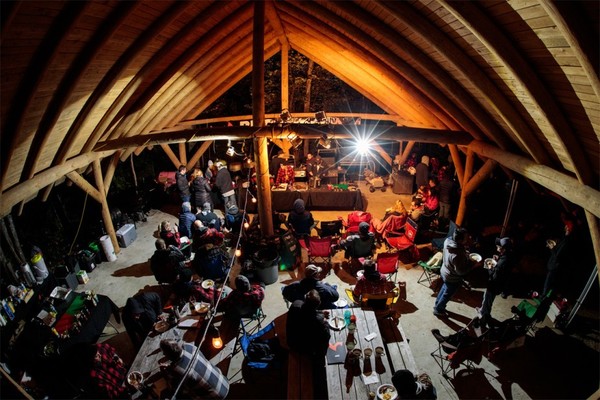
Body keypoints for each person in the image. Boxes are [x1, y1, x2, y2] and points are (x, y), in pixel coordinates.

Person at [159, 339, 229, 399]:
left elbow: (175, 389)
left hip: (214, 397)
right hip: (224, 383)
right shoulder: (190, 347)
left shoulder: (176, 371)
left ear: (167, 356)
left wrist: (166, 373)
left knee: (173, 394)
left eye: (164, 353)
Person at [433, 227, 479, 317]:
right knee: (447, 294)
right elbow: (461, 271)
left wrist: (464, 252)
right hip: (452, 277)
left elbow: (456, 253)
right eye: (467, 237)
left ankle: (437, 304)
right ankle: (438, 310)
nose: (469, 238)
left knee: (444, 288)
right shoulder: (457, 254)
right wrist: (474, 265)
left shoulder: (448, 241)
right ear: (461, 240)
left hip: (444, 271)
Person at [477, 237, 514, 326]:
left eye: (498, 246)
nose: (497, 248)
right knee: (487, 299)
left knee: (488, 300)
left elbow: (494, 276)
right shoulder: (508, 256)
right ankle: (483, 310)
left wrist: (490, 268)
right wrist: (497, 260)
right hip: (498, 284)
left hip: (494, 285)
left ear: (503, 249)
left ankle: (484, 317)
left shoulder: (503, 262)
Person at [286, 289, 330, 358]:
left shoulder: (296, 304)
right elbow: (326, 336)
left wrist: (320, 313)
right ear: (318, 304)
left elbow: (307, 311)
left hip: (292, 342)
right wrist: (325, 322)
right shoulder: (319, 322)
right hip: (306, 349)